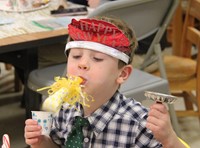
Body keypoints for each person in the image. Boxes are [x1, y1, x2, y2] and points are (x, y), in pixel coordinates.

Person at [24, 16, 186, 147]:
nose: (82, 64)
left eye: (97, 58)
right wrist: (42, 142)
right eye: (76, 56)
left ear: (122, 74)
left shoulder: (139, 124)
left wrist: (169, 139)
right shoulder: (64, 109)